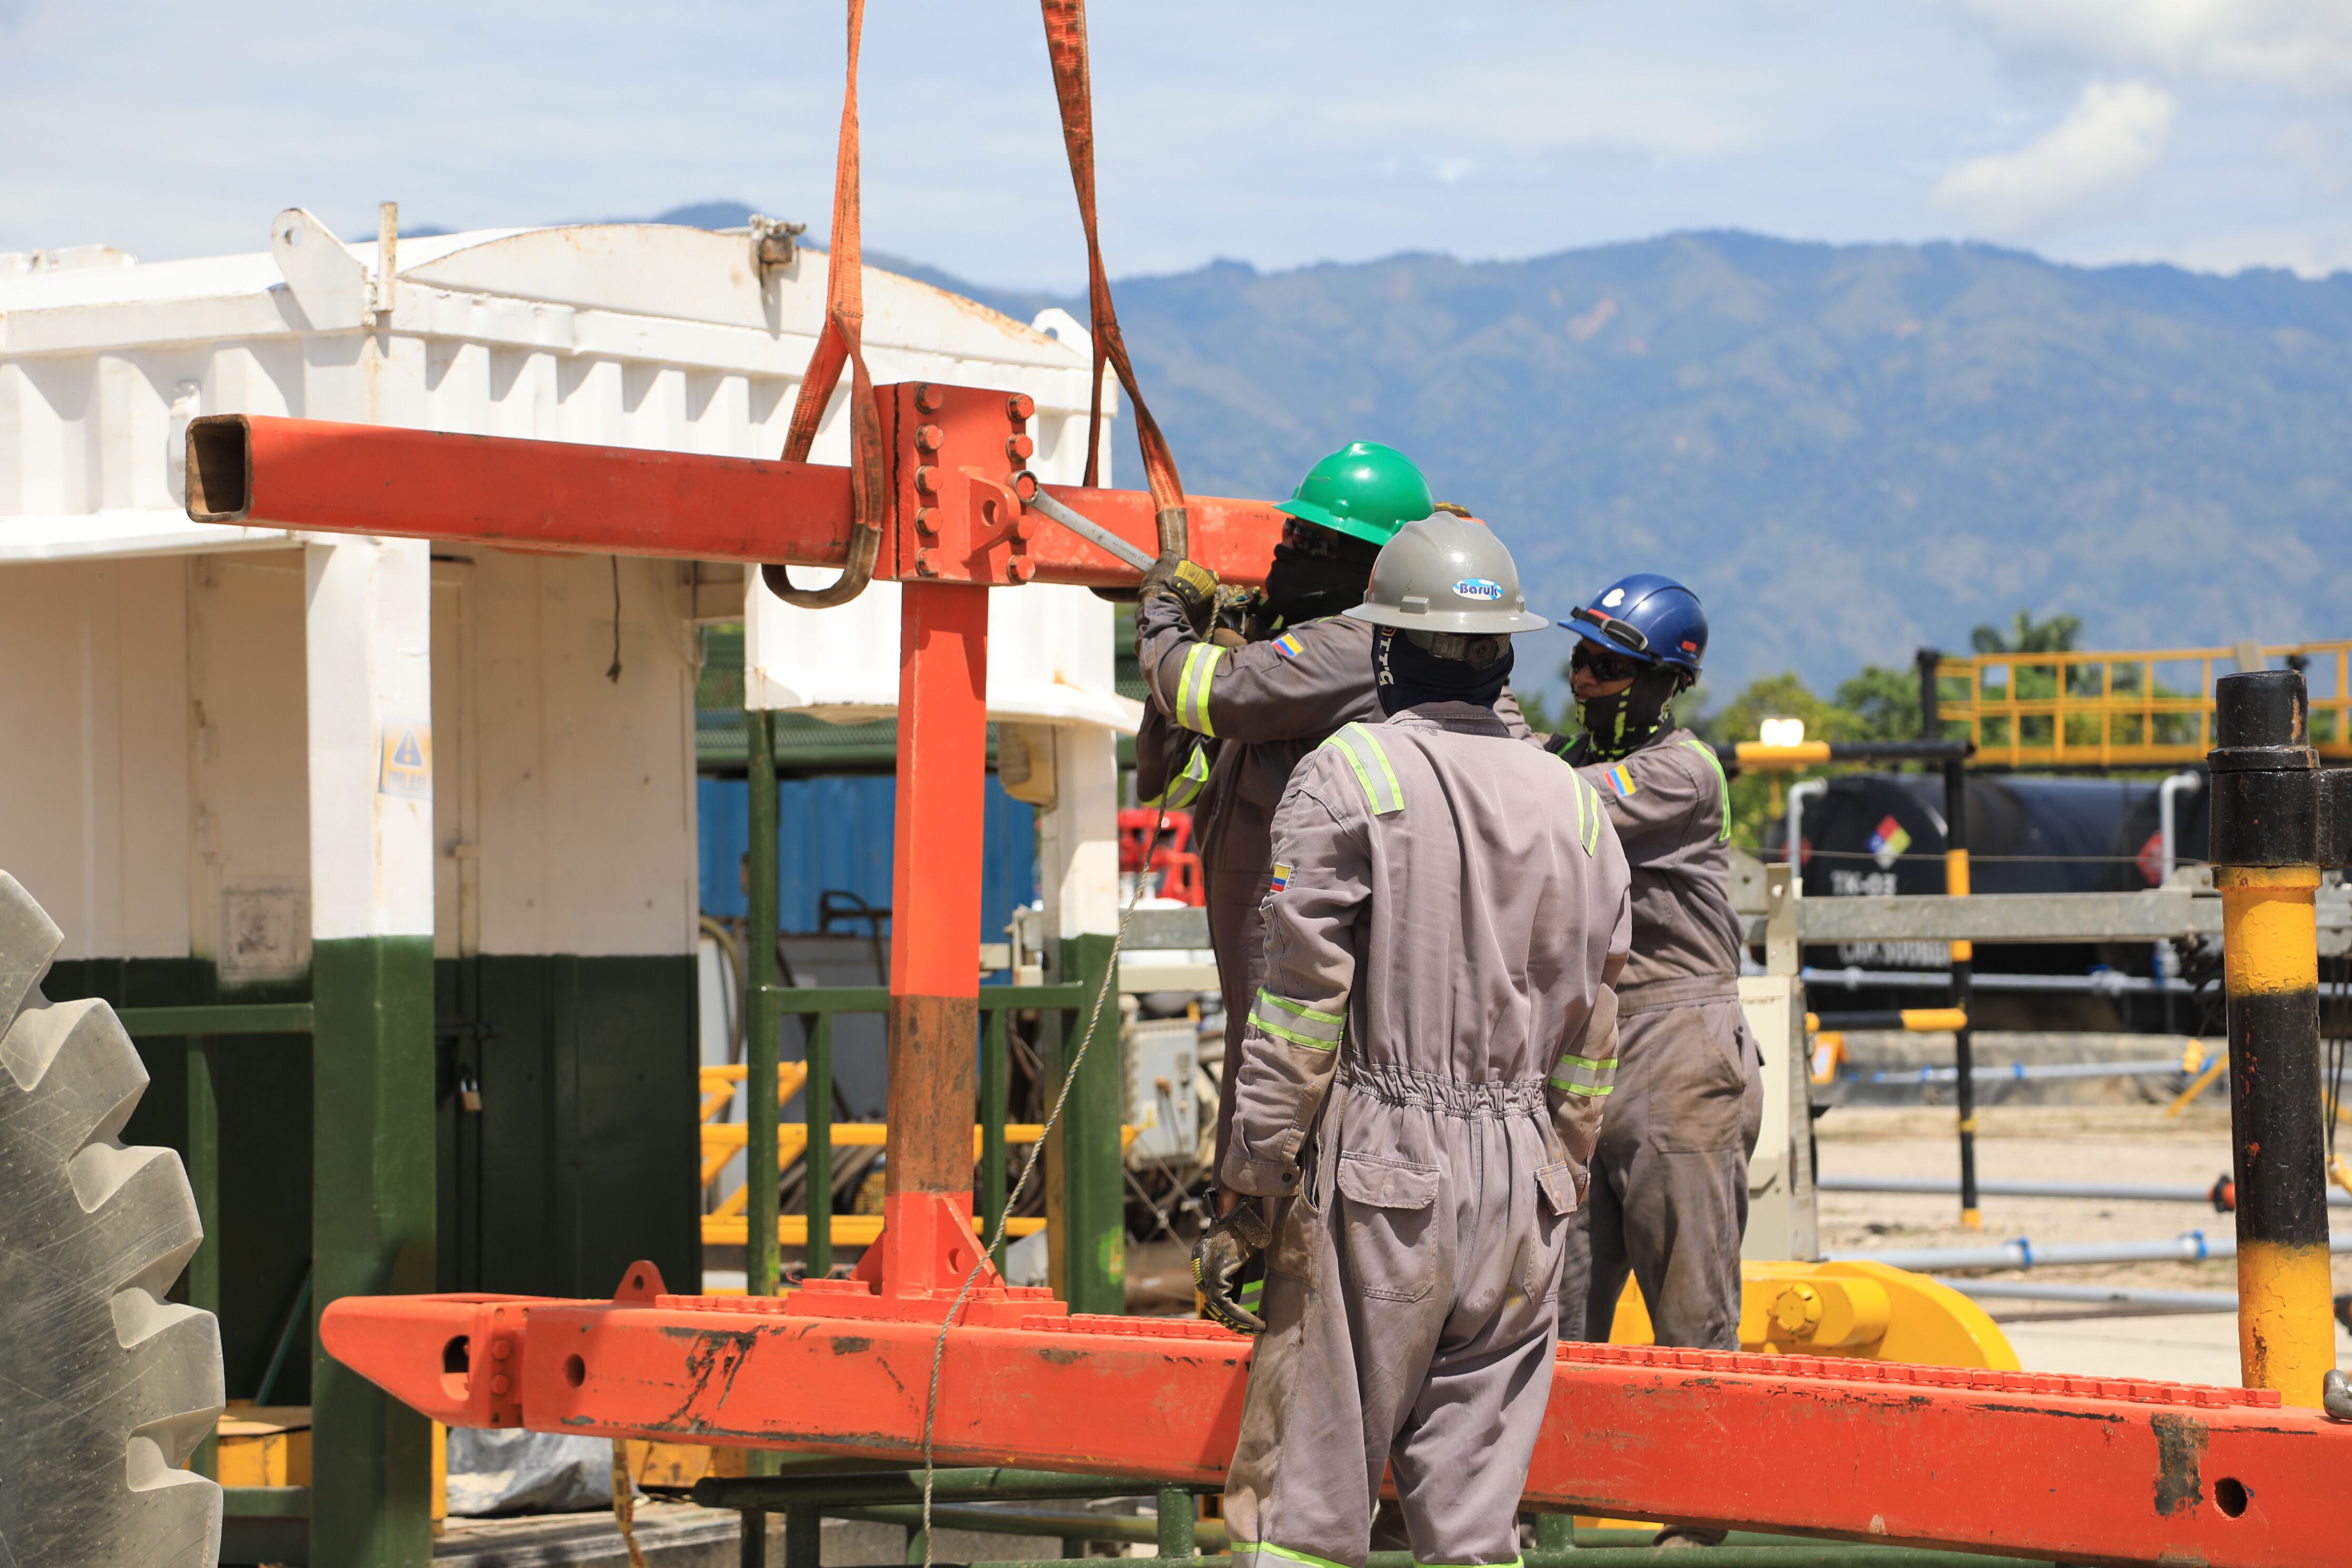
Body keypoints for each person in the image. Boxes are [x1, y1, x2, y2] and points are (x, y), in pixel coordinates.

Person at [1191, 515, 1631, 1568]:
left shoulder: (1353, 773)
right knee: (1475, 1526)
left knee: (1308, 1509)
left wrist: (1252, 1183)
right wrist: (1554, 1173)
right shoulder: (1576, 801)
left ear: (1387, 647)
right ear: (1505, 656)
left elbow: (1296, 1013)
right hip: (1524, 1190)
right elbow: (1597, 1028)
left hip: (1388, 1178)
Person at [1134, 440, 1439, 1193]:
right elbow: (1165, 776)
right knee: (1257, 1086)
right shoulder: (1296, 652)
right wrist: (1244, 631)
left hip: (1298, 943)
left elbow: (1207, 691)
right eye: (1292, 536)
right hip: (1260, 952)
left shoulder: (1350, 646)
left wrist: (1165, 611)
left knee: (1288, 1112)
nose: (1290, 551)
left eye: (1313, 543)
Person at [1546, 574, 1758, 1368]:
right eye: (1580, 656)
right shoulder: (1560, 756)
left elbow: (1548, 800)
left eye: (1609, 666)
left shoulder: (1681, 772)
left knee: (1691, 1319)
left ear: (1668, 683)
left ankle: (1705, 1481)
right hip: (1582, 1044)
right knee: (1553, 1314)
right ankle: (1555, 1493)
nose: (1585, 678)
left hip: (1677, 1047)